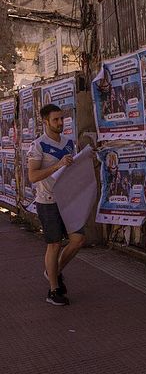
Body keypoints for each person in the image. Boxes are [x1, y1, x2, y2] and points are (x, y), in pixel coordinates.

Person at [27, 104, 86, 306]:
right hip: (48, 201)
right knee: (54, 244)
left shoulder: (69, 143)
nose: (60, 123)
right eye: (56, 119)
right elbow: (33, 176)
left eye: (62, 119)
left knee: (78, 240)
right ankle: (53, 290)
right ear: (45, 122)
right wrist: (58, 165)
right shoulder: (38, 145)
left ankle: (53, 271)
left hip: (67, 200)